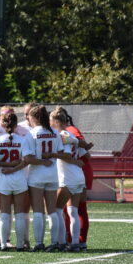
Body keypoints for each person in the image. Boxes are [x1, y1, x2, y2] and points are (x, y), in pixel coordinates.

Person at [0, 111, 36, 251]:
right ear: (16, 124)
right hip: (19, 179)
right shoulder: (22, 140)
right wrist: (14, 167)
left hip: (3, 179)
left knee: (4, 214)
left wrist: (7, 166)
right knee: (19, 214)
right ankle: (19, 244)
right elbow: (27, 160)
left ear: (3, 124)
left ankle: (4, 244)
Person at [26, 105, 67, 252]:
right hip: (52, 174)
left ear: (34, 118)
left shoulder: (31, 134)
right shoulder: (55, 133)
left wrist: (42, 160)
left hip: (37, 175)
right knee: (52, 211)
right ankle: (54, 242)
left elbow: (29, 158)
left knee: (38, 211)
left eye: (29, 117)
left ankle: (39, 243)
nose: (28, 120)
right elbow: (61, 153)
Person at [50, 107, 87, 252]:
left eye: (50, 120)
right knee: (73, 212)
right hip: (78, 176)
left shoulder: (61, 136)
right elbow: (84, 153)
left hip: (67, 177)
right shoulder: (71, 135)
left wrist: (51, 155)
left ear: (55, 121)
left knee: (57, 210)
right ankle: (75, 243)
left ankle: (61, 241)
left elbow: (66, 155)